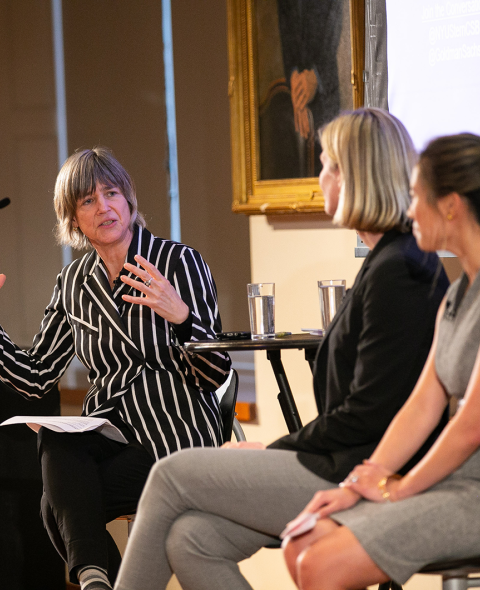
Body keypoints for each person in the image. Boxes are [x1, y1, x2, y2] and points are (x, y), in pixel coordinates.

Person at [112, 108, 449, 590]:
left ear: (357, 176)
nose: (320, 178)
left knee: (168, 474)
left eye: (328, 165)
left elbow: (370, 414)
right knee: (191, 538)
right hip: (341, 456)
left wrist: (274, 448)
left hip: (362, 469)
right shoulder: (387, 261)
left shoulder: (401, 268)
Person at [0, 147, 231, 590]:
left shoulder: (180, 263)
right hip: (109, 432)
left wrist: (181, 318)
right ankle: (99, 581)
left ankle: (96, 583)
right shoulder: (73, 282)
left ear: (129, 200)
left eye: (111, 193)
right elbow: (35, 378)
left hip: (175, 432)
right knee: (56, 443)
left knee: (57, 509)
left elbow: (215, 374)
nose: (103, 207)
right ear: (72, 218)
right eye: (88, 200)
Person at [282, 132, 480, 590]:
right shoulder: (456, 294)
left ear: (449, 205)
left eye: (414, 197)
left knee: (319, 564)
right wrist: (361, 481)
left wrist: (399, 488)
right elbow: (422, 404)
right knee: (301, 541)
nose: (408, 211)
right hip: (448, 477)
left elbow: (471, 425)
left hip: (471, 487)